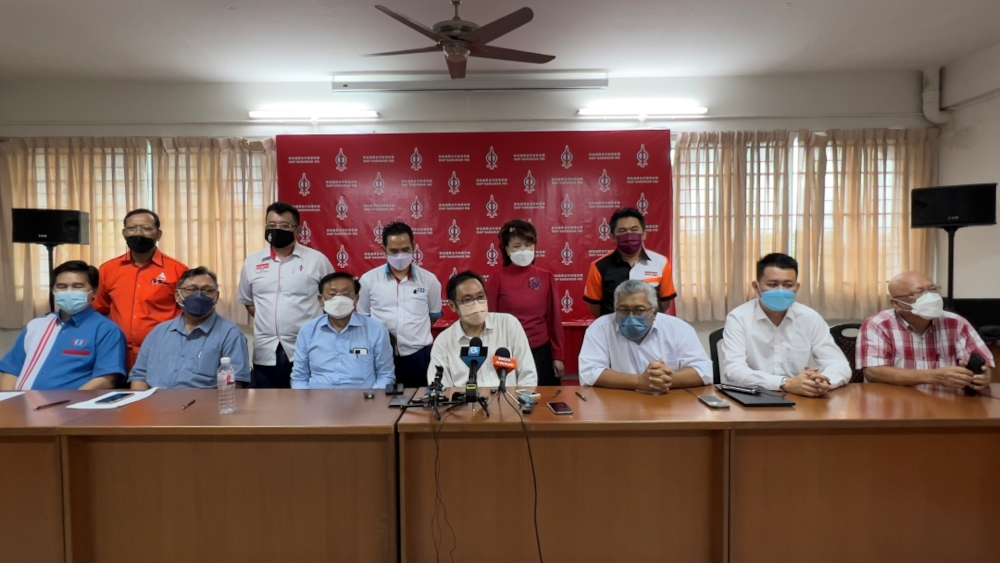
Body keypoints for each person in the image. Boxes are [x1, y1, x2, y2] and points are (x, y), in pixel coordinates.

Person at [722, 253, 851, 396]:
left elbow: (839, 364)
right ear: (756, 287)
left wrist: (822, 381)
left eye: (788, 285)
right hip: (752, 395)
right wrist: (784, 383)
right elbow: (733, 369)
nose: (781, 291)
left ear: (797, 287)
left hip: (800, 395)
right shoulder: (739, 318)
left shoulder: (810, 318)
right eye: (772, 284)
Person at [238, 202, 335, 388]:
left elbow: (331, 299)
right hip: (266, 350)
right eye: (272, 225)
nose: (277, 229)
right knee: (269, 403)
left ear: (298, 230)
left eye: (285, 225)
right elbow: (248, 301)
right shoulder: (252, 263)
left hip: (308, 348)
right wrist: (272, 322)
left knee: (308, 401)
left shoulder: (317, 260)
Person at [858, 271, 994, 391]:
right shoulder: (878, 324)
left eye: (933, 289)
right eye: (918, 292)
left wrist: (983, 375)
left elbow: (984, 361)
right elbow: (873, 372)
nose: (930, 297)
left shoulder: (956, 322)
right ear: (897, 304)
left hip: (946, 401)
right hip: (895, 402)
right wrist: (932, 377)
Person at [0, 261, 126, 391]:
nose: (69, 292)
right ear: (53, 291)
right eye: (62, 286)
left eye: (77, 286)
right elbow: (11, 370)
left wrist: (70, 401)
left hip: (74, 402)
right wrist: (8, 400)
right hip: (22, 401)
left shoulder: (106, 330)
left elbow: (106, 380)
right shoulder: (37, 326)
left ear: (94, 292)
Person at [93, 208, 188, 371]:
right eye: (132, 228)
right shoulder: (108, 270)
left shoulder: (178, 270)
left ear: (158, 234)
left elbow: (188, 314)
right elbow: (99, 310)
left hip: (163, 352)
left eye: (146, 228)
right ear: (124, 233)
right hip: (117, 353)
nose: (138, 233)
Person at [129, 267, 251, 389]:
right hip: (154, 400)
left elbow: (234, 385)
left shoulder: (230, 334)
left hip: (203, 401)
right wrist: (143, 401)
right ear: (177, 295)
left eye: (208, 290)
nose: (199, 296)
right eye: (191, 289)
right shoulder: (159, 332)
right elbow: (139, 376)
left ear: (216, 296)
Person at [579, 280, 711, 392]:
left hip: (668, 403)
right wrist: (639, 381)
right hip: (619, 402)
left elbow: (704, 371)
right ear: (616, 309)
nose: (631, 317)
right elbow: (589, 373)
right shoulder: (600, 328)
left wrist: (662, 380)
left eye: (639, 310)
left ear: (654, 312)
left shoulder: (678, 328)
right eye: (624, 310)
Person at [357, 221, 442, 388]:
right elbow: (364, 318)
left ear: (414, 247)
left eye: (405, 250)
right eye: (394, 251)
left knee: (418, 401)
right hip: (380, 356)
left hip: (418, 357)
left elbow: (433, 316)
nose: (400, 256)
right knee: (381, 401)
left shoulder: (429, 280)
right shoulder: (368, 280)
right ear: (384, 250)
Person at [486, 219, 566, 386]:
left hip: (541, 353)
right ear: (507, 250)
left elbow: (554, 320)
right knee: (509, 398)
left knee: (544, 399)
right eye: (517, 246)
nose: (524, 250)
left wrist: (558, 356)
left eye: (528, 245)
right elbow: (490, 321)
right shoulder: (497, 278)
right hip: (509, 353)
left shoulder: (546, 277)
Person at [428, 271, 538, 388]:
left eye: (480, 297)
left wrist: (520, 399)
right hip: (464, 399)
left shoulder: (508, 324)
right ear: (452, 306)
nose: (476, 304)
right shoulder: (444, 342)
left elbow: (528, 375)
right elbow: (440, 387)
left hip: (508, 397)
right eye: (467, 300)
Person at [291, 272, 395, 389]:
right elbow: (299, 378)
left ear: (356, 299)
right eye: (333, 294)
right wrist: (307, 399)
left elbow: (385, 375)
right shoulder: (308, 330)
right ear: (321, 300)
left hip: (362, 398)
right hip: (317, 398)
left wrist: (371, 397)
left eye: (346, 294)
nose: (339, 299)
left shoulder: (375, 329)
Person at [584, 207, 676, 317]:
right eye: (622, 231)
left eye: (634, 229)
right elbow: (594, 307)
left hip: (651, 325)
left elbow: (665, 302)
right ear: (613, 237)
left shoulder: (661, 262)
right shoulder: (599, 266)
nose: (629, 234)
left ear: (644, 234)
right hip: (614, 326)